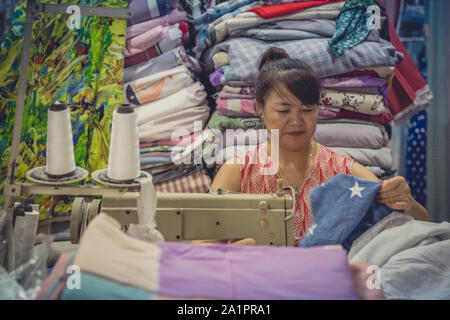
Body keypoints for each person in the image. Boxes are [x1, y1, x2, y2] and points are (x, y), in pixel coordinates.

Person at [211, 47, 430, 244]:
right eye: (284, 110)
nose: (296, 121)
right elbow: (203, 251)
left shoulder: (342, 172)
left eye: (307, 109)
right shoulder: (237, 173)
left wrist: (406, 201)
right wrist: (248, 248)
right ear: (260, 108)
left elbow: (423, 226)